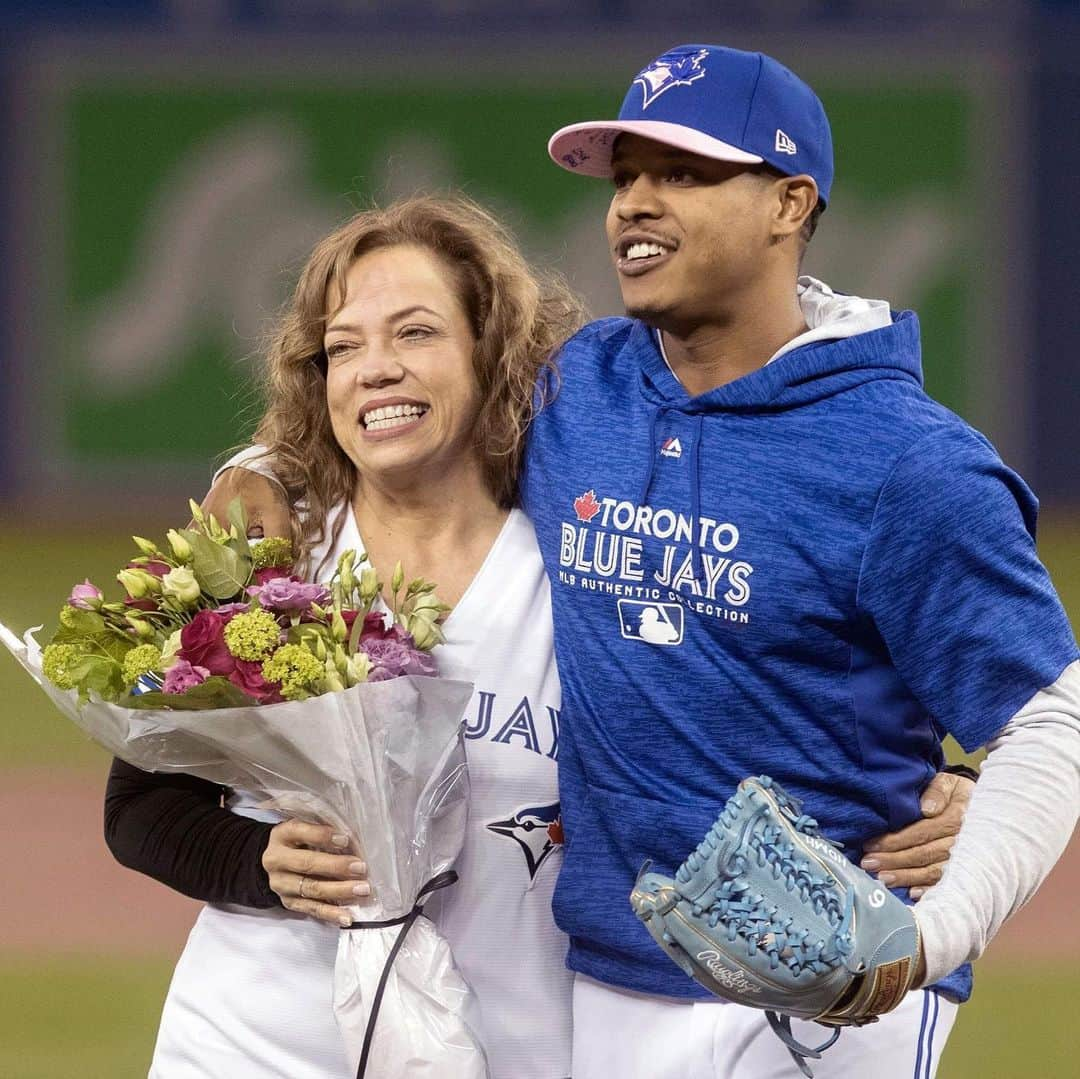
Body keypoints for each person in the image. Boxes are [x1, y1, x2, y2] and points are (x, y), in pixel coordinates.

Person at [212, 43, 1078, 1078]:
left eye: (684, 172)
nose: (633, 204)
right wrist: (264, 465)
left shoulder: (907, 463)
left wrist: (929, 937)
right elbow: (398, 410)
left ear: (789, 202)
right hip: (614, 974)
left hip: (824, 987)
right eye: (624, 175)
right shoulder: (584, 386)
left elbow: (1048, 718)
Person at [105, 195, 973, 1078]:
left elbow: (764, 679)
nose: (374, 369)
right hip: (250, 1043)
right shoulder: (267, 556)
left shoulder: (584, 558)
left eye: (415, 334)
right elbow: (137, 811)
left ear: (490, 354)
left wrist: (942, 784)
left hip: (508, 1049)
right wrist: (262, 863)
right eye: (343, 346)